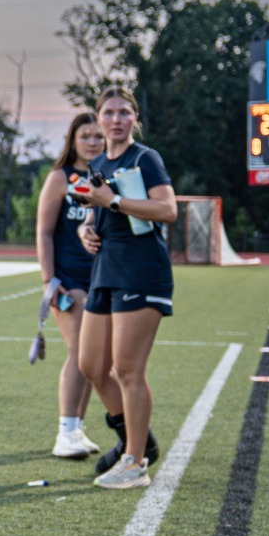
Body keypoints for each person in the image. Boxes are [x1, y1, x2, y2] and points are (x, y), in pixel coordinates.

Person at [76, 86, 178, 490]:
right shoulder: (97, 162)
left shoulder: (145, 158)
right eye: (109, 113)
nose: (116, 119)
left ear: (134, 118)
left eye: (124, 112)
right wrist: (87, 229)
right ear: (99, 119)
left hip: (141, 270)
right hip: (105, 269)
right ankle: (137, 439)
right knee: (91, 366)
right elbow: (93, 213)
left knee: (128, 369)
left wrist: (114, 201)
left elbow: (166, 209)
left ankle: (135, 461)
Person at [33, 112, 104, 458]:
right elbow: (44, 232)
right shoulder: (62, 177)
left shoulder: (106, 178)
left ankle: (77, 428)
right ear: (73, 140)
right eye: (86, 135)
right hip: (68, 281)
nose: (93, 142)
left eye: (98, 136)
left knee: (93, 357)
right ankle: (65, 432)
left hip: (102, 279)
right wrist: (50, 280)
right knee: (81, 353)